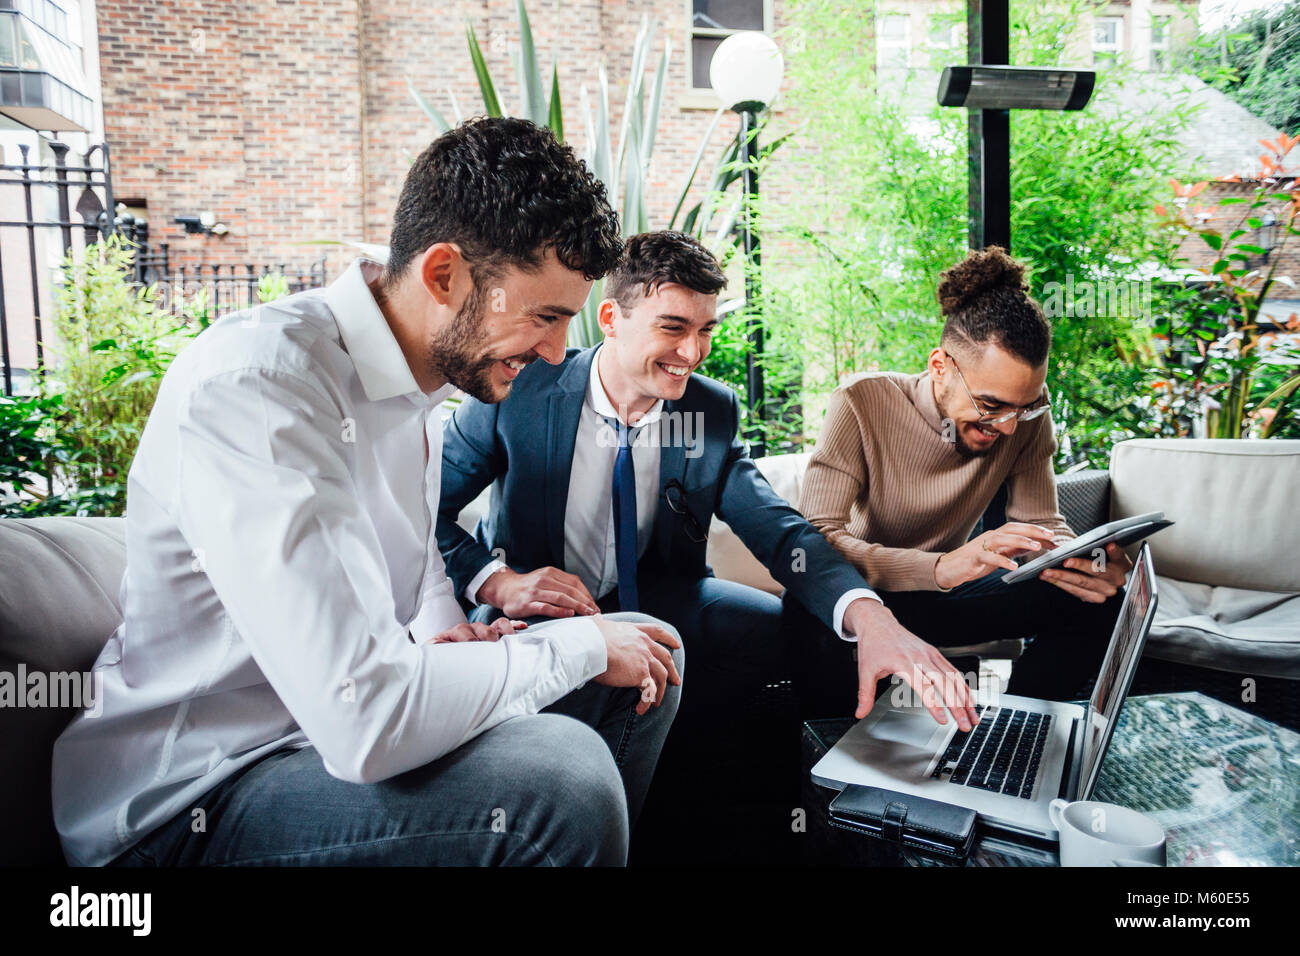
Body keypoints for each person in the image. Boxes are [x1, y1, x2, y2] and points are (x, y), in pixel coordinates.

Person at [51, 118, 683, 868]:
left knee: (648, 656)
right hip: (196, 797)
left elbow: (417, 604)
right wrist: (573, 644)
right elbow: (367, 718)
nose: (554, 354)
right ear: (444, 275)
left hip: (318, 747)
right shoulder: (262, 385)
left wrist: (455, 641)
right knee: (560, 782)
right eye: (545, 317)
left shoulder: (414, 398)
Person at [435, 231, 979, 859]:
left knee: (788, 630)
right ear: (611, 318)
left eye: (706, 330)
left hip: (662, 598)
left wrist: (871, 615)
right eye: (673, 328)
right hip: (533, 612)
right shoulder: (520, 391)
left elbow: (781, 531)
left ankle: (776, 816)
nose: (692, 352)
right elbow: (428, 515)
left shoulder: (709, 412)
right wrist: (499, 581)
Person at [795, 245, 1129, 708]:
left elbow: (1043, 524)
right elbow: (814, 540)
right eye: (991, 406)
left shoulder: (1024, 414)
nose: (1009, 427)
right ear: (940, 367)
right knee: (810, 611)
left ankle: (1016, 737)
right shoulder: (862, 401)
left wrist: (1081, 562)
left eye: (1025, 408)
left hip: (947, 596)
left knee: (1095, 600)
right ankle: (829, 766)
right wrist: (939, 567)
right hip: (867, 594)